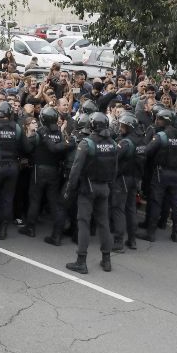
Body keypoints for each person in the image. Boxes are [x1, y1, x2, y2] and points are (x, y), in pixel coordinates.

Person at [63, 112, 117, 274]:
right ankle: (106, 260)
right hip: (104, 187)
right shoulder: (113, 143)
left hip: (88, 188)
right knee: (103, 223)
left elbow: (75, 170)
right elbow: (115, 169)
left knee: (83, 223)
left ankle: (81, 261)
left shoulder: (87, 143)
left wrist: (69, 189)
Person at [21, 106, 74, 239]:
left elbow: (26, 148)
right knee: (53, 201)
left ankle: (30, 228)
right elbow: (61, 151)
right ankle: (57, 232)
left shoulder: (39, 133)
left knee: (35, 199)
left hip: (39, 170)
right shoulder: (59, 134)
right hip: (54, 171)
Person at [137, 109, 177, 243]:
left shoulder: (161, 136)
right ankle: (176, 234)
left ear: (166, 120)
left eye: (159, 119)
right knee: (175, 204)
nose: (156, 121)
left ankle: (150, 233)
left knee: (155, 202)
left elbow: (146, 152)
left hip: (161, 173)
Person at [0, 101, 29, 240]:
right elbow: (27, 148)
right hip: (12, 166)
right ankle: (3, 229)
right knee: (7, 198)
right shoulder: (17, 128)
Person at [110, 112, 146, 251]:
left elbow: (115, 159)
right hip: (135, 179)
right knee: (131, 209)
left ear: (129, 126)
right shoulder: (141, 140)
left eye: (123, 126)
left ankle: (118, 241)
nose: (120, 128)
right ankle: (132, 240)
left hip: (123, 179)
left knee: (118, 209)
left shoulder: (125, 143)